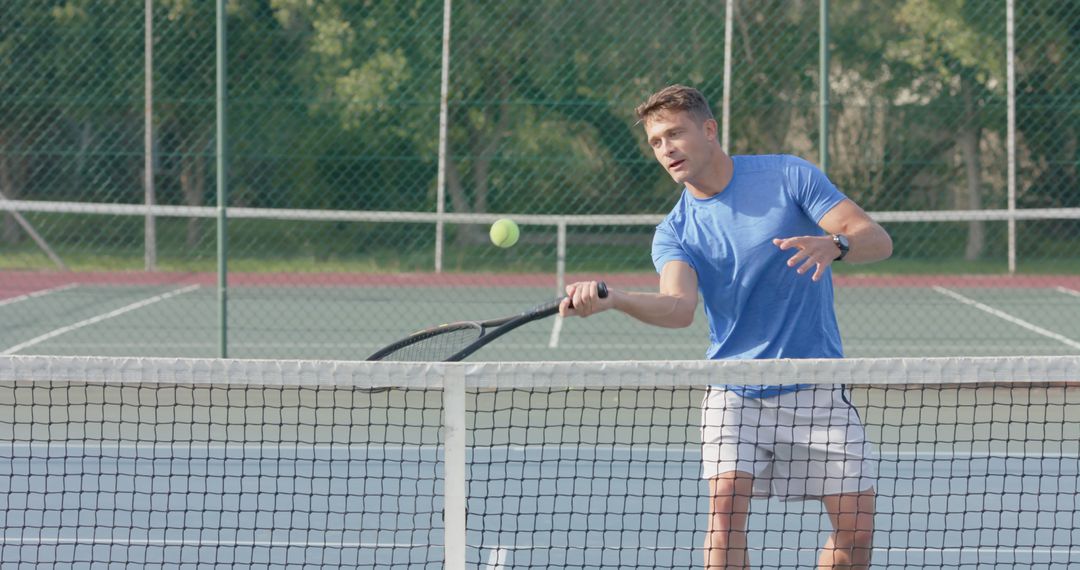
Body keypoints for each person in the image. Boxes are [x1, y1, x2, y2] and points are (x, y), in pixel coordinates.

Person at [559, 85, 893, 570]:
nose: (666, 149)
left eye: (675, 133)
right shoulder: (675, 231)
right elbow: (678, 308)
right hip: (736, 391)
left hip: (816, 383)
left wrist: (836, 245)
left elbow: (877, 239)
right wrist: (618, 300)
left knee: (857, 531)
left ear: (709, 130)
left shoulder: (787, 175)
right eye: (655, 142)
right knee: (724, 514)